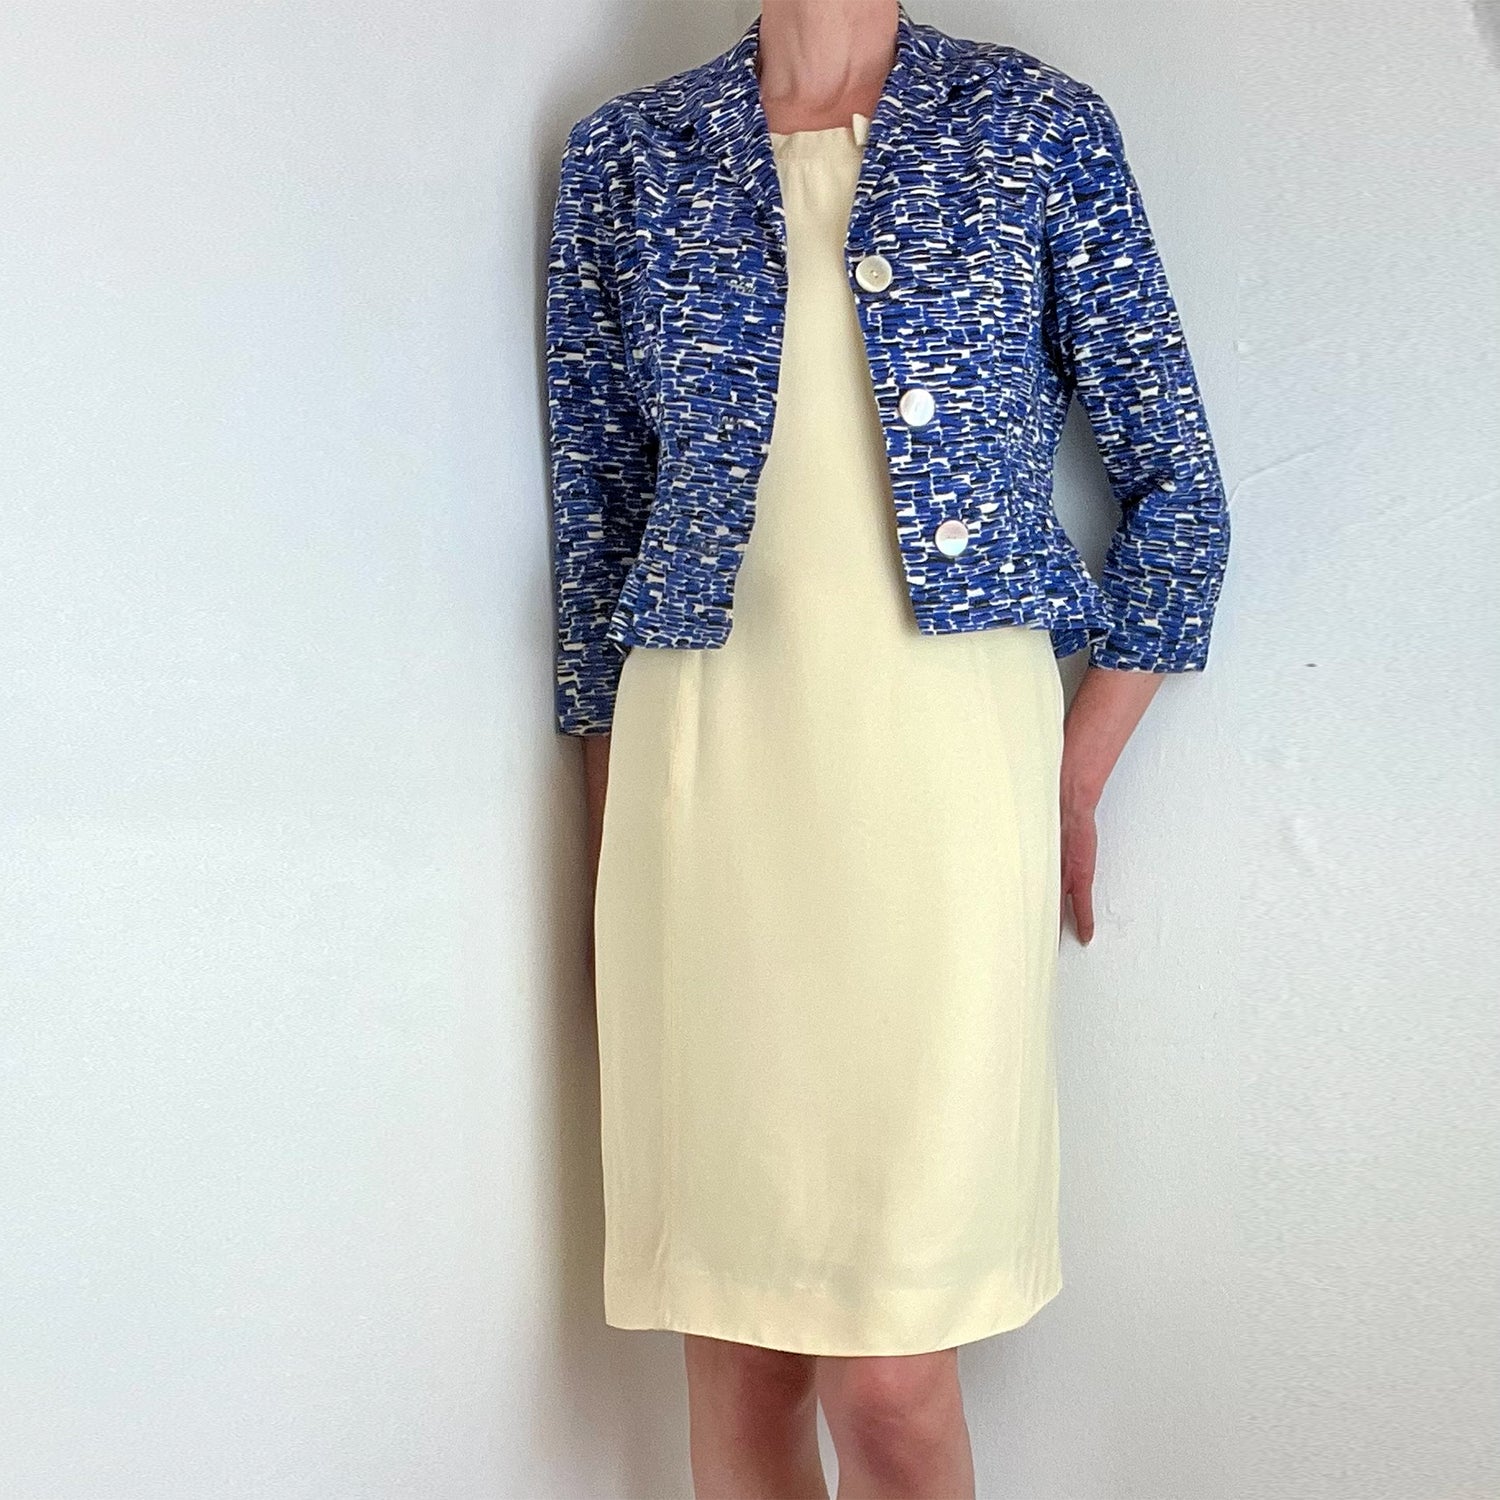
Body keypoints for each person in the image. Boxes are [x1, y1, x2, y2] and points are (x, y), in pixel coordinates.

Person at [543, 0, 1230, 1493]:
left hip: (944, 772)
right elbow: (599, 544)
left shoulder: (1036, 126)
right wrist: (612, 867)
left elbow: (1182, 495)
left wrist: (1070, 778)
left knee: (892, 1375)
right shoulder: (628, 156)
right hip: (704, 786)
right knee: (738, 1355)